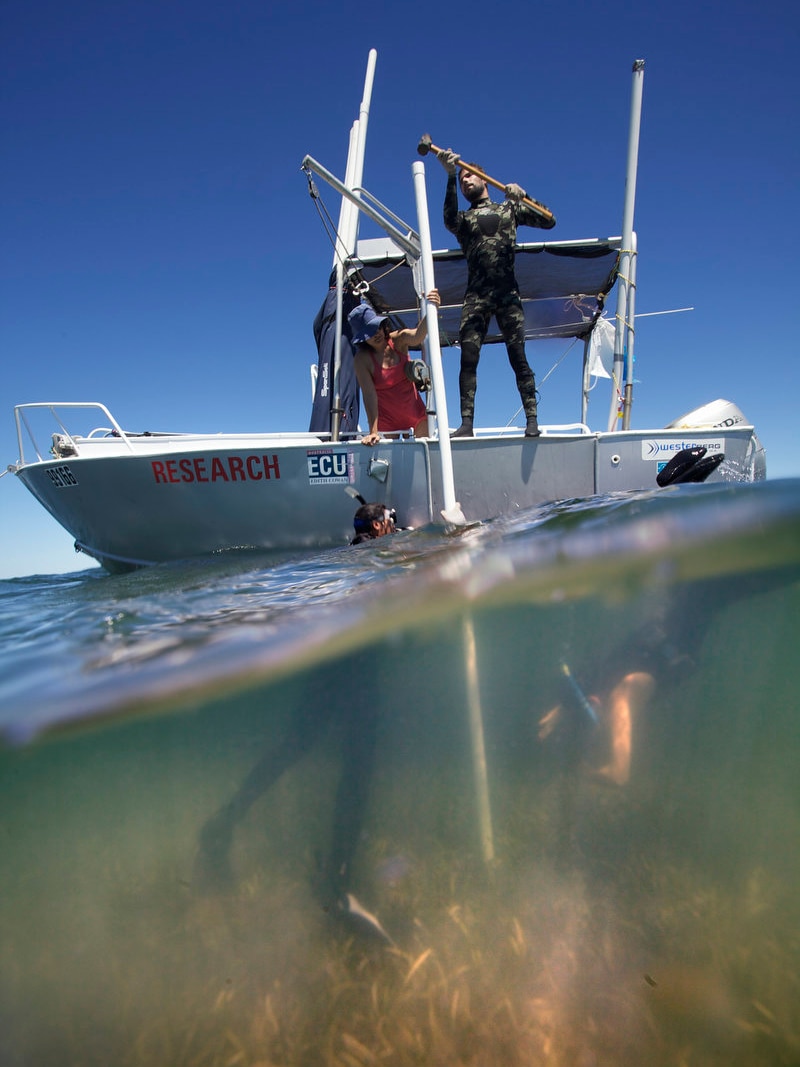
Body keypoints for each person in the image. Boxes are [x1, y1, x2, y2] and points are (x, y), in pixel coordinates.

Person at [436, 150, 556, 438]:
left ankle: (532, 419)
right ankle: (466, 424)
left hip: (507, 294)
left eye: (469, 176)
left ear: (484, 179)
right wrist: (450, 176)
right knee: (468, 357)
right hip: (476, 296)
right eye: (463, 179)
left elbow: (549, 220)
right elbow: (449, 219)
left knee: (518, 356)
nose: (466, 182)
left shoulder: (509, 209)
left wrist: (525, 196)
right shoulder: (464, 220)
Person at [349, 291, 440, 446]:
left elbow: (418, 335)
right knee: (394, 468)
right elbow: (369, 395)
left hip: (416, 415)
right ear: (362, 338)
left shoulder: (399, 339)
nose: (375, 334)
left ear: (382, 325)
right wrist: (373, 431)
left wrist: (433, 309)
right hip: (387, 422)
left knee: (425, 461)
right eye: (368, 333)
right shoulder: (361, 360)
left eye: (375, 327)